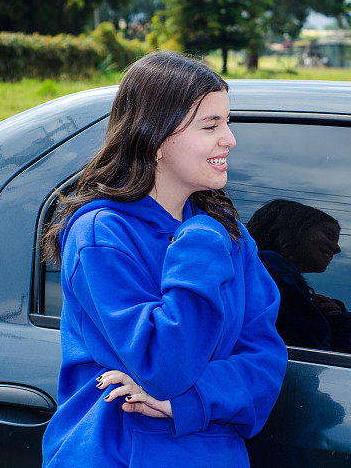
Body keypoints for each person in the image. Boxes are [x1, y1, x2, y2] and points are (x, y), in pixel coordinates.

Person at [40, 51, 288, 467]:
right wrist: (200, 241)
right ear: (155, 139)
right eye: (211, 125)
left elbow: (265, 363)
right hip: (119, 455)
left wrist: (189, 400)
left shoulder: (230, 235)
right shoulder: (102, 234)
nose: (229, 139)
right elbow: (164, 363)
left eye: (227, 122)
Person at [247, 199, 351, 354]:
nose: (337, 248)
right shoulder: (275, 271)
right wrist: (345, 323)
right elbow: (322, 360)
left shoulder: (254, 270)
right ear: (295, 228)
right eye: (329, 234)